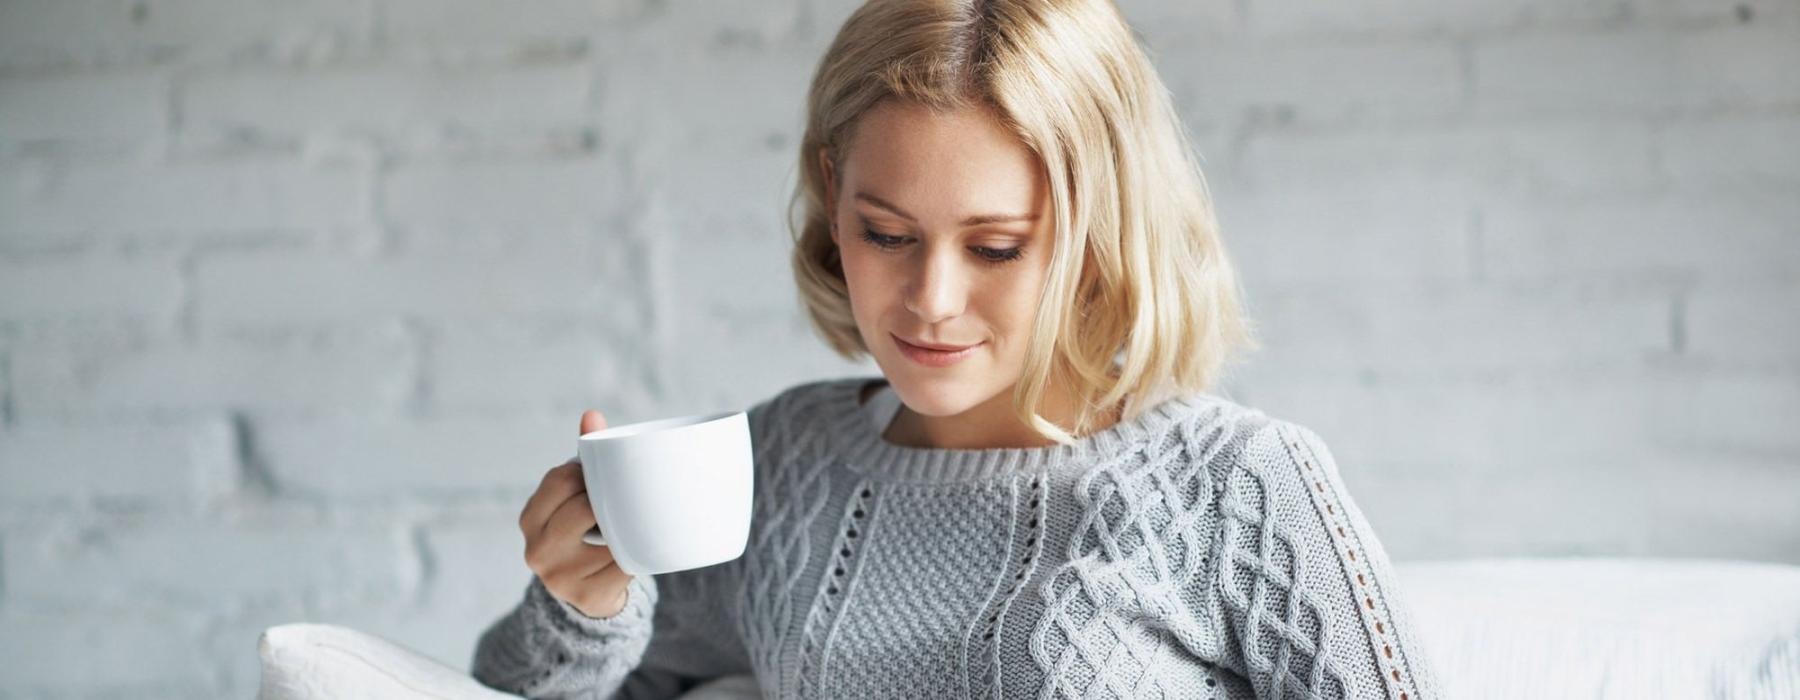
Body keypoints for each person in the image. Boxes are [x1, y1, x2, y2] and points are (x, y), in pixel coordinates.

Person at [472, 0, 1442, 697]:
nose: (931, 301)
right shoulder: (779, 468)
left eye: (995, 247)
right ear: (830, 197)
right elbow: (524, 690)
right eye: (887, 234)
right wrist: (579, 602)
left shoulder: (1238, 485)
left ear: (1102, 232)